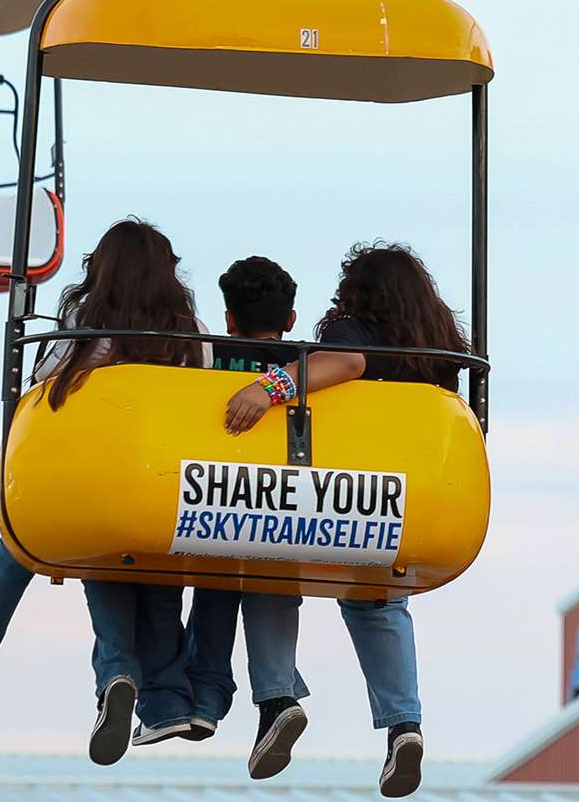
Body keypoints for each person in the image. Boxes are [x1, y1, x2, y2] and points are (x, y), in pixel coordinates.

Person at [0, 219, 208, 766]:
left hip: (88, 480)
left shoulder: (83, 321)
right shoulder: (188, 332)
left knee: (28, 542)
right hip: (162, 485)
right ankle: (159, 697)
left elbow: (43, 386)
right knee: (151, 575)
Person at [219, 243, 470, 799]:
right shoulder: (442, 352)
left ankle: (277, 700)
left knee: (269, 571)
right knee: (378, 601)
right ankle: (405, 726)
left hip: (346, 487)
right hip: (412, 497)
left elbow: (348, 366)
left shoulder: (354, 334)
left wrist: (270, 387)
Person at [180, 255, 312, 778]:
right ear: (292, 320)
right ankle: (276, 700)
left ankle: (205, 701)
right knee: (275, 583)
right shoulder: (305, 365)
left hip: (217, 492)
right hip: (284, 494)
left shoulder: (213, 359)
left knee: (214, 584)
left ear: (229, 319)